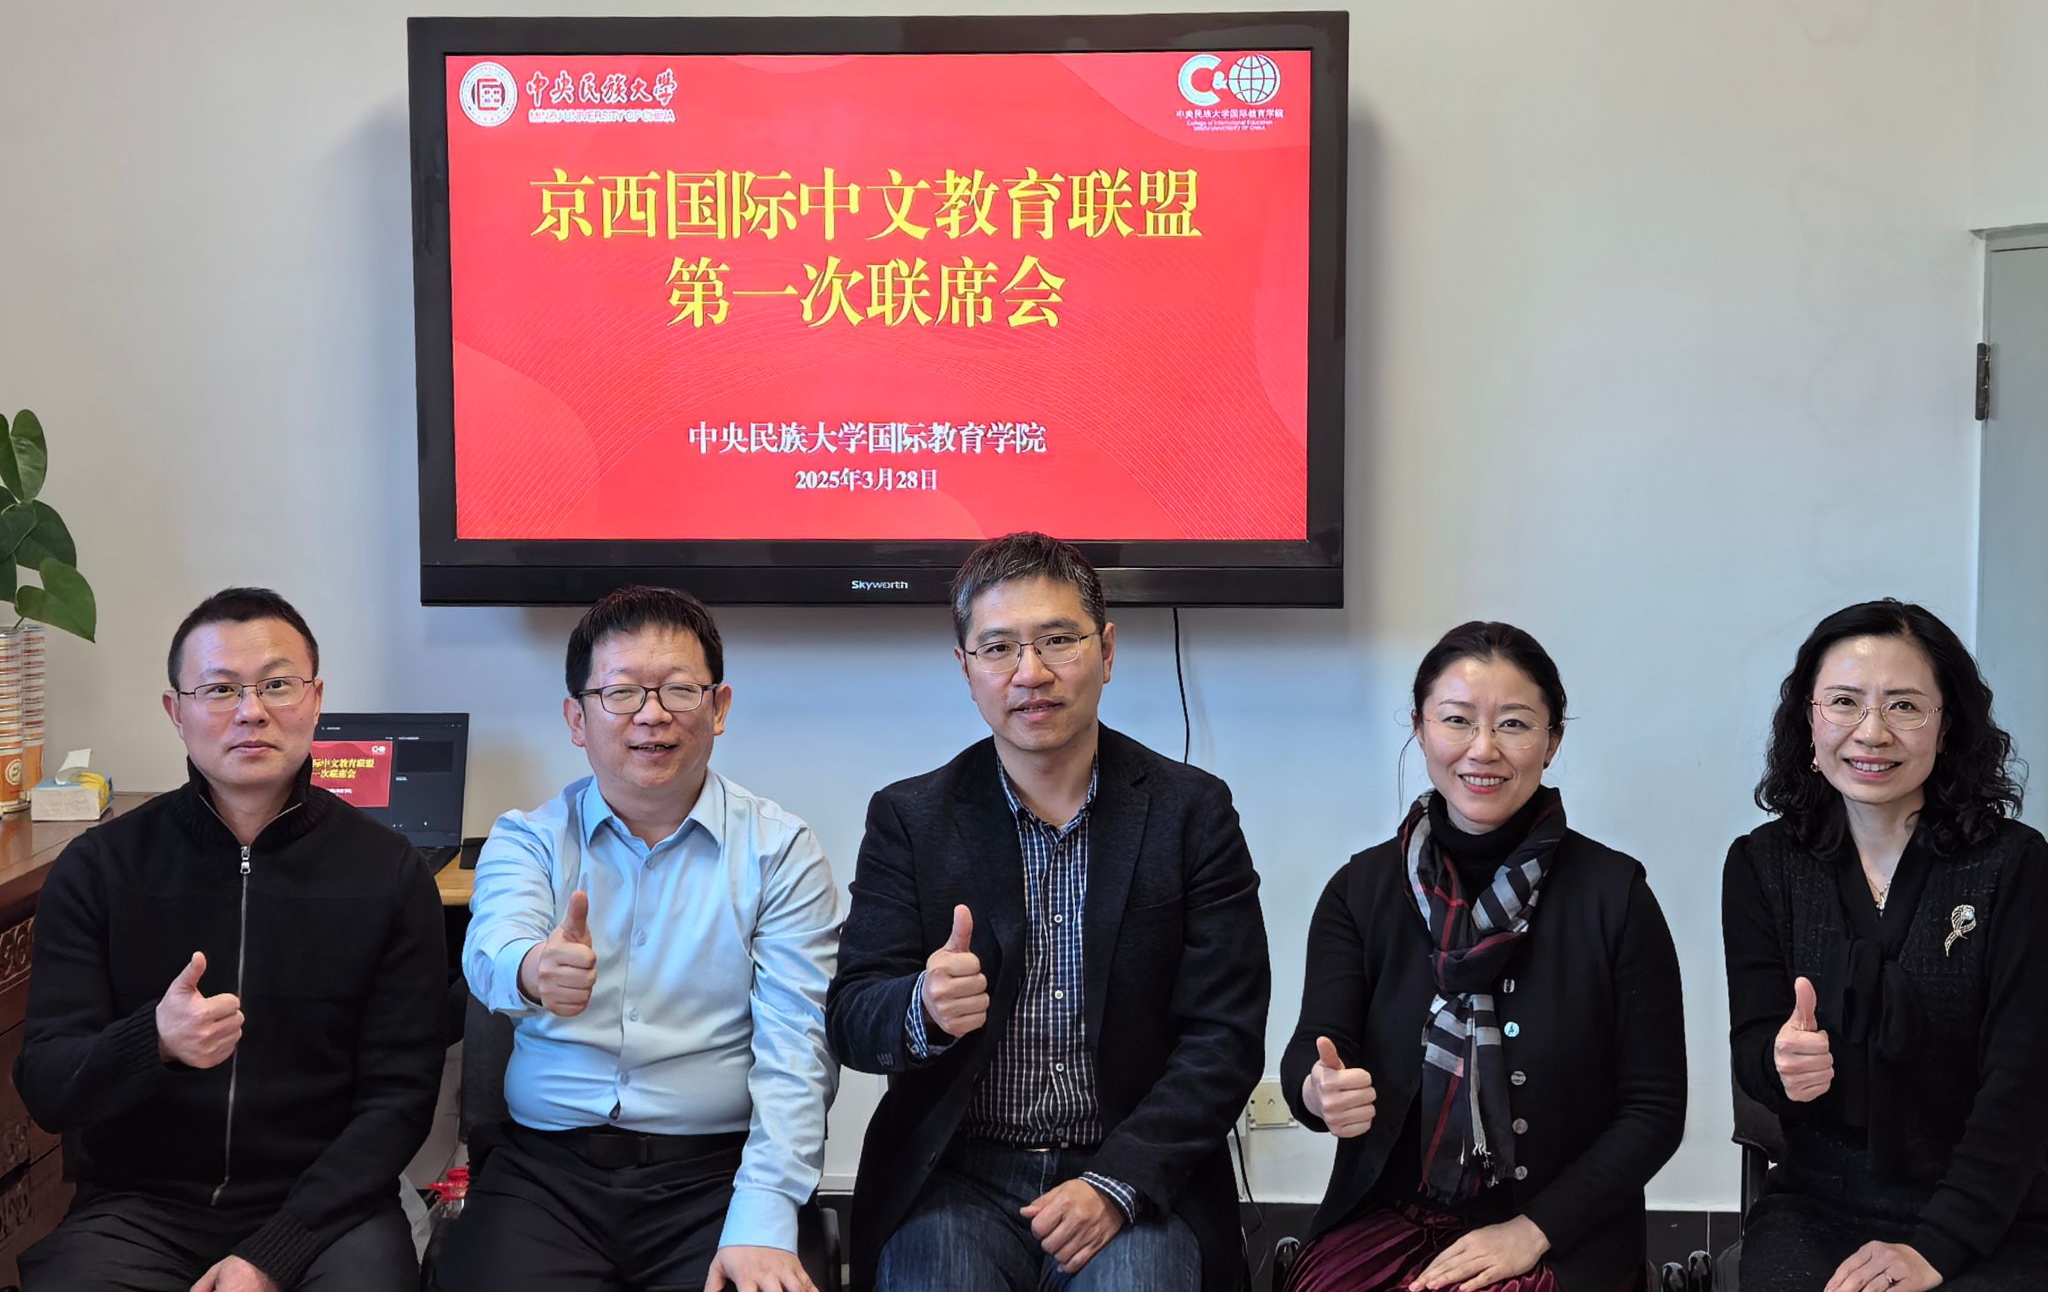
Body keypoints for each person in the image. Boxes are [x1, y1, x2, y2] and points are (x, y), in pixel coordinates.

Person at [827, 531, 1270, 1292]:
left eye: (1058, 640)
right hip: (956, 1174)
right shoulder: (911, 818)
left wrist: (1117, 1183)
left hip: (1130, 1168)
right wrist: (922, 1007)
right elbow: (852, 1015)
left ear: (1107, 650)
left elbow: (1224, 1037)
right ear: (966, 668)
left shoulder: (1191, 812)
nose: (1030, 672)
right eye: (998, 647)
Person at [14, 587, 447, 1291]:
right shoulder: (100, 868)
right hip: (140, 1207)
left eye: (277, 684)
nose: (251, 710)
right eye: (219, 689)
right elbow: (47, 1087)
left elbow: (399, 1101)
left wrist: (271, 1253)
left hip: (326, 1208)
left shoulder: (389, 873)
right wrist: (152, 1040)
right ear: (175, 711)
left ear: (315, 699)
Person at [440, 584, 838, 1292]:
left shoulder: (779, 849)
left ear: (719, 708)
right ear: (577, 717)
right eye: (621, 692)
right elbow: (492, 946)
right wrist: (533, 969)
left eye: (679, 689)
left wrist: (764, 1216)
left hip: (718, 1174)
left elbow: (799, 1050)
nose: (652, 715)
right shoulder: (528, 839)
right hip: (545, 1175)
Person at [1279, 621, 1685, 1292]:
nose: (1483, 748)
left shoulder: (1615, 896)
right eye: (1457, 720)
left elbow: (1655, 1109)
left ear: (1552, 741)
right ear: (1420, 728)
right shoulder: (1361, 890)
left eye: (1514, 724)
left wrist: (1533, 1230)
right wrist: (1317, 1092)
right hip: (1389, 1213)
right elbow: (1314, 1048)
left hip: (1563, 1229)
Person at [1723, 599, 2048, 1292]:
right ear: (1810, 720)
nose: (1872, 732)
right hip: (1818, 1201)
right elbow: (1752, 1047)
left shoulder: (2015, 865)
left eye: (1904, 706)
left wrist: (1936, 1247)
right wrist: (1781, 1063)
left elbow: (2023, 1084)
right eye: (1845, 702)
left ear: (1946, 725)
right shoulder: (1761, 863)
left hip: (1994, 1209)